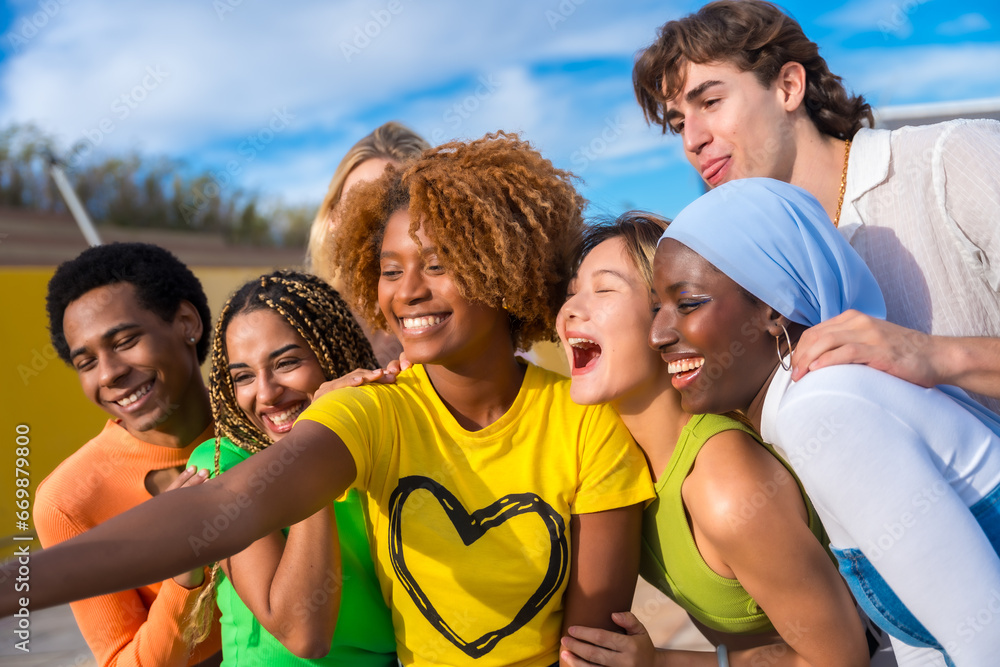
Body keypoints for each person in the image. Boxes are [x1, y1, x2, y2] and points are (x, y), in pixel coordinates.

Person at [3, 132, 654, 667]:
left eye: (437, 263)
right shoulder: (369, 407)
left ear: (501, 262)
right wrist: (15, 584)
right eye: (391, 269)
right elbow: (227, 503)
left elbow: (592, 645)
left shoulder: (585, 422)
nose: (408, 291)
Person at [650, 178, 1000, 666]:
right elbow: (923, 646)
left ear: (773, 308)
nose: (658, 333)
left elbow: (986, 640)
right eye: (655, 308)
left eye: (687, 304)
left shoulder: (821, 410)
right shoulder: (809, 405)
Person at [633, 0, 1000, 413]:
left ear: (788, 86)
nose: (691, 140)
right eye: (680, 123)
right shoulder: (748, 270)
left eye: (711, 102)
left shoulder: (952, 159)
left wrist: (933, 355)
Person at [555, 212, 871, 666]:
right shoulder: (609, 451)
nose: (571, 310)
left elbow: (841, 659)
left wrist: (662, 662)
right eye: (571, 294)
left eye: (604, 289)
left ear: (664, 319)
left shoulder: (724, 483)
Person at [184, 270, 397, 665]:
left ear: (334, 355)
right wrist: (311, 457)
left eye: (286, 363)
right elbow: (304, 636)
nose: (265, 393)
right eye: (243, 376)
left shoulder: (384, 440)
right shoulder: (222, 464)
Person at [35, 242, 222, 666]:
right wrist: (184, 567)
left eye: (125, 340)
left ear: (187, 323)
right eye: (86, 363)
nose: (110, 373)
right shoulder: (68, 503)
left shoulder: (267, 420)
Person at [306, 121, 430, 366]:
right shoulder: (303, 326)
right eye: (357, 203)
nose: (374, 222)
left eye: (396, 202)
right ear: (332, 219)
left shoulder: (462, 323)